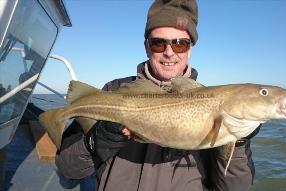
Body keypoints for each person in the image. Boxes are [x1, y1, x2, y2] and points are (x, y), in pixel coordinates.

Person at [55, 0, 260, 190]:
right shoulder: (112, 91)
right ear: (146, 47)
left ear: (190, 50)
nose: (169, 52)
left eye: (180, 43)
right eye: (158, 43)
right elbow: (67, 172)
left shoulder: (212, 102)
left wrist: (238, 141)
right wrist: (94, 144)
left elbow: (234, 187)